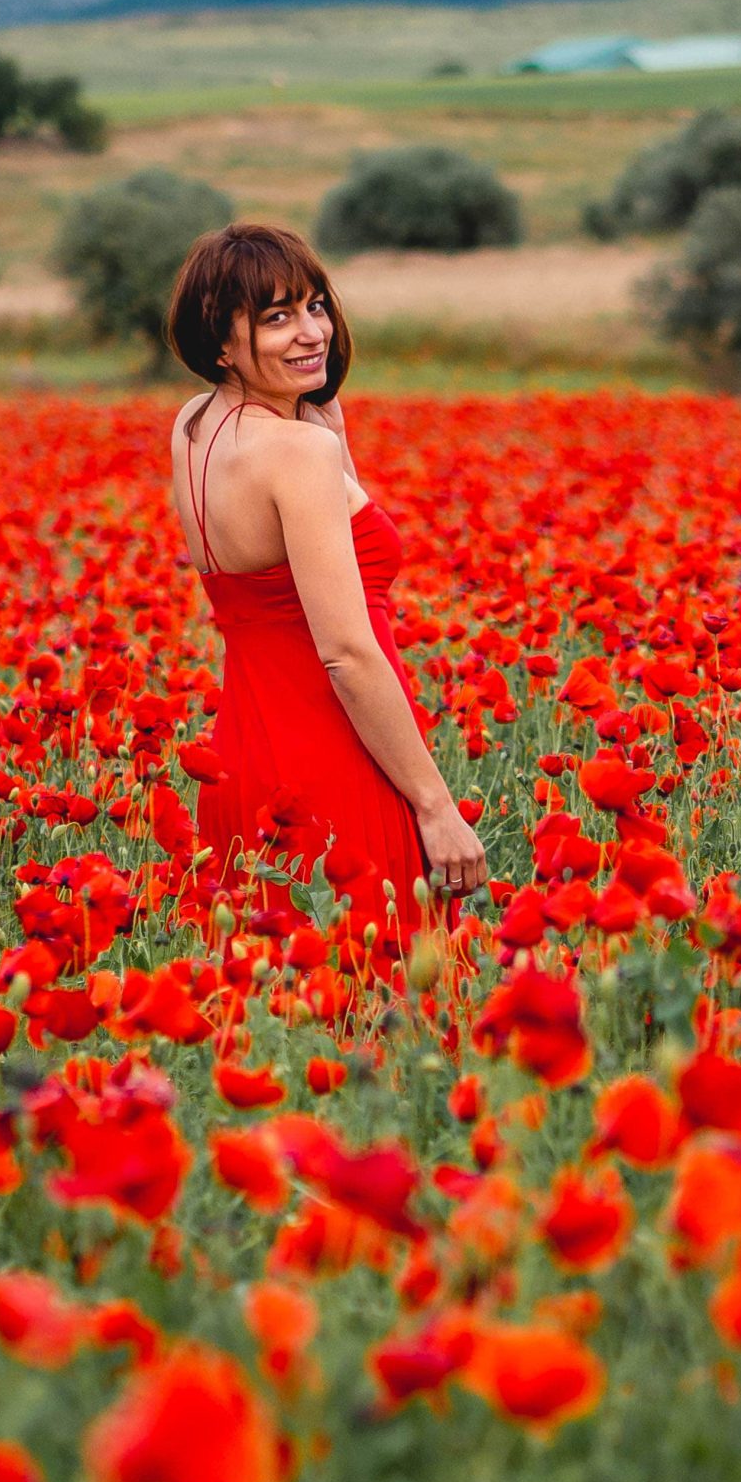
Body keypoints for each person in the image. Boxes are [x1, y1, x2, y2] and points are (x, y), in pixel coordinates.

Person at [166, 220, 486, 959]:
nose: (311, 331)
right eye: (276, 317)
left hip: (243, 758)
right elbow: (346, 650)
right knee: (385, 1009)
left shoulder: (194, 424)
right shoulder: (296, 452)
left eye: (314, 306)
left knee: (283, 1015)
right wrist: (434, 807)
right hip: (333, 761)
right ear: (220, 341)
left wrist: (328, 434)